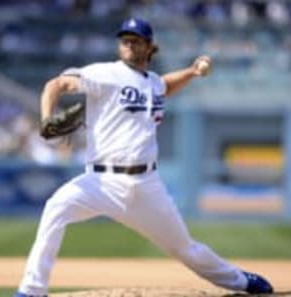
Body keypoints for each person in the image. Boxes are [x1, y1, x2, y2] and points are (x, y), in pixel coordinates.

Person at [15, 18, 274, 297]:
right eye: (124, 38)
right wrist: (46, 118)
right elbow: (56, 85)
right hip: (101, 181)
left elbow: (163, 86)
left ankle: (241, 281)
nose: (128, 43)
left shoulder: (152, 82)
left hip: (147, 185)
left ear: (150, 47)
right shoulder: (105, 74)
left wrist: (191, 72)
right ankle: (31, 290)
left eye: (135, 39)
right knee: (56, 207)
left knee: (185, 248)